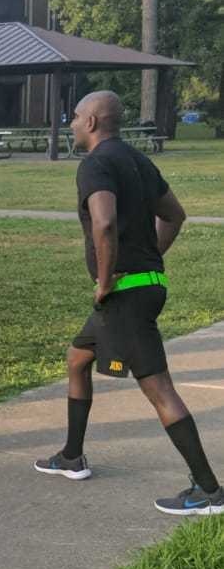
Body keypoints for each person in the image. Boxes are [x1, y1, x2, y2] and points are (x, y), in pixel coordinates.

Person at [34, 89, 223, 515]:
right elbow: (175, 214)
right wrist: (146, 262)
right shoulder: (137, 160)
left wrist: (104, 281)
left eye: (76, 116)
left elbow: (104, 222)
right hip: (145, 285)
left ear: (93, 122)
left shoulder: (96, 163)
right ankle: (71, 457)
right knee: (78, 359)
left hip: (123, 296)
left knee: (159, 389)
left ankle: (210, 491)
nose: (72, 123)